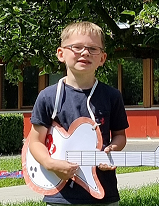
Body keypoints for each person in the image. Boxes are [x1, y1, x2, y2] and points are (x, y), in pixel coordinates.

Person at [27, 21, 129, 206]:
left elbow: (120, 136)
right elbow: (35, 142)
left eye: (93, 48)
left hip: (104, 194)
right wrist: (50, 164)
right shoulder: (48, 97)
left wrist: (112, 150)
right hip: (60, 195)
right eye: (77, 47)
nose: (85, 52)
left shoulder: (112, 96)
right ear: (61, 54)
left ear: (102, 58)